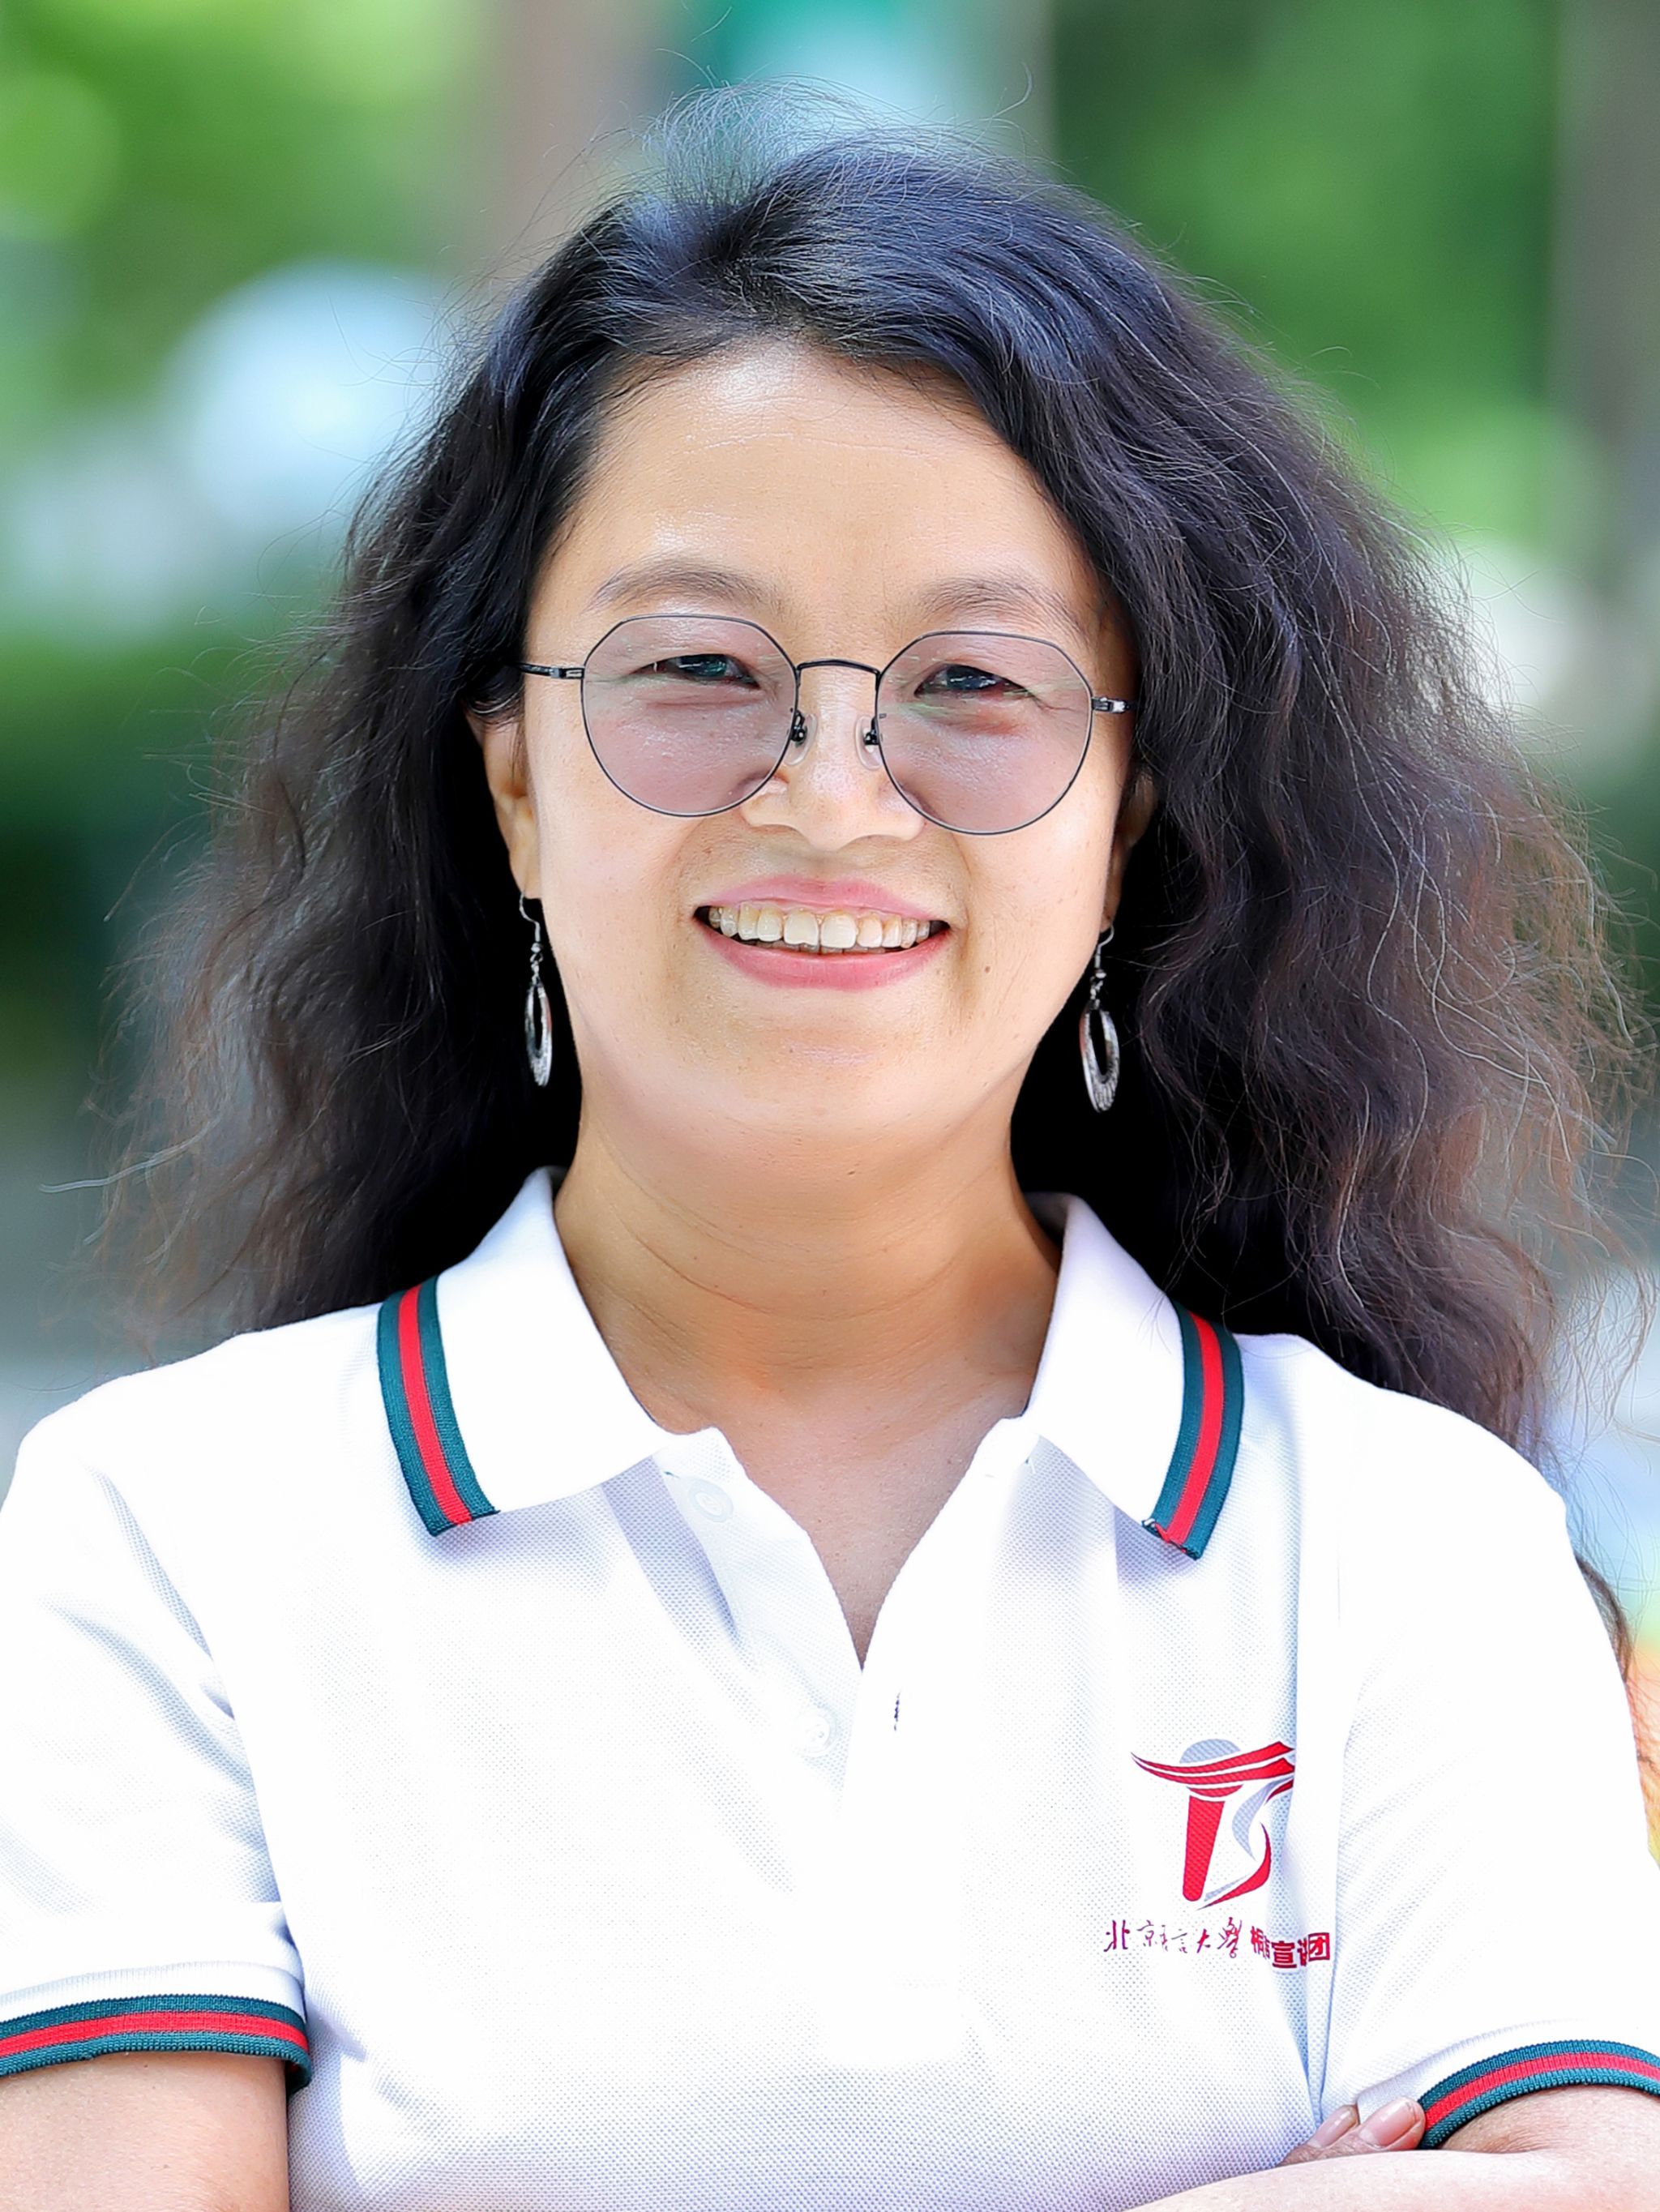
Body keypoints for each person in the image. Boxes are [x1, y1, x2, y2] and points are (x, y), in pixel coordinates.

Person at [3, 88, 1659, 2212]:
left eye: (975, 683)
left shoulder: (1409, 1541)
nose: (831, 793)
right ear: (513, 783)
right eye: (700, 665)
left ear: (1129, 816)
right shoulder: (168, 1536)